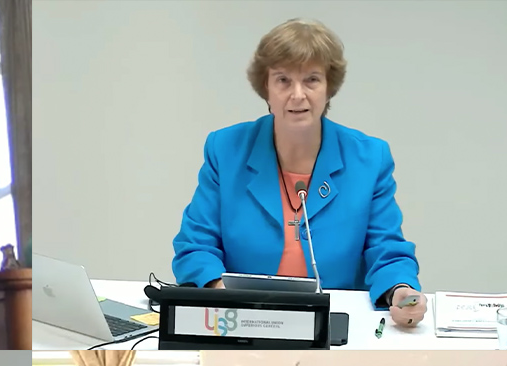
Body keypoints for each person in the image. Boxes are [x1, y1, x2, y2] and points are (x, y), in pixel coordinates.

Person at [172, 19, 426, 328]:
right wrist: (222, 295)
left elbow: (386, 248)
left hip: (333, 327)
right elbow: (196, 244)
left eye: (311, 80)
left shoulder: (369, 158)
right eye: (282, 80)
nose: (297, 95)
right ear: (265, 87)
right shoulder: (226, 149)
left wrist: (400, 290)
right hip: (239, 321)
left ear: (329, 87)